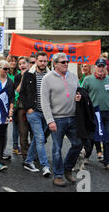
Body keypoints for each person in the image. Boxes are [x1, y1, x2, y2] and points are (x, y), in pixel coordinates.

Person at [41, 52, 82, 187]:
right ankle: (58, 176)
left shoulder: (74, 77)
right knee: (57, 149)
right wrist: (50, 120)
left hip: (73, 118)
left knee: (77, 144)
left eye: (67, 61)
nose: (66, 64)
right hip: (57, 119)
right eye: (63, 62)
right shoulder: (47, 79)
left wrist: (79, 98)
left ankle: (67, 169)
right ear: (55, 64)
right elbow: (44, 102)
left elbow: (79, 93)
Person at [82, 58, 109, 171]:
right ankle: (85, 156)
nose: (100, 68)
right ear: (95, 67)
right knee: (92, 138)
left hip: (108, 113)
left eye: (102, 66)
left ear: (105, 68)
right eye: (98, 66)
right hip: (94, 113)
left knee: (108, 138)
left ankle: (108, 162)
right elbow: (83, 97)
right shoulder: (88, 80)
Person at [19, 51, 51, 177]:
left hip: (47, 113)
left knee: (38, 138)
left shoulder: (50, 75)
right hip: (34, 113)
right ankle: (45, 166)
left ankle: (28, 161)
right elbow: (22, 93)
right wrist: (28, 108)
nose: (43, 63)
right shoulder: (28, 74)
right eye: (40, 61)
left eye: (45, 61)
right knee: (40, 138)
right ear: (36, 61)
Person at [14, 56, 31, 162]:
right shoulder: (17, 77)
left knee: (35, 133)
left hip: (32, 108)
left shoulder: (33, 75)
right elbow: (18, 91)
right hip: (21, 108)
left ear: (28, 64)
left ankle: (33, 153)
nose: (22, 66)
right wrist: (23, 78)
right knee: (23, 133)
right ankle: (25, 156)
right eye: (20, 64)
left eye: (24, 63)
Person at [6, 54, 21, 155]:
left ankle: (15, 146)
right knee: (3, 125)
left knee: (16, 126)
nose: (13, 63)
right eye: (11, 61)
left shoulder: (20, 73)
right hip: (6, 102)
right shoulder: (5, 72)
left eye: (15, 61)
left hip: (17, 103)